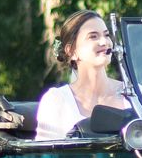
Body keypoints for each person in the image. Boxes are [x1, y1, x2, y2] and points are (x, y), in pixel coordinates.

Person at [36, 9, 131, 139]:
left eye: (106, 35)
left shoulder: (132, 95)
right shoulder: (56, 100)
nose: (104, 42)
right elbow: (45, 150)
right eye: (93, 36)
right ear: (71, 51)